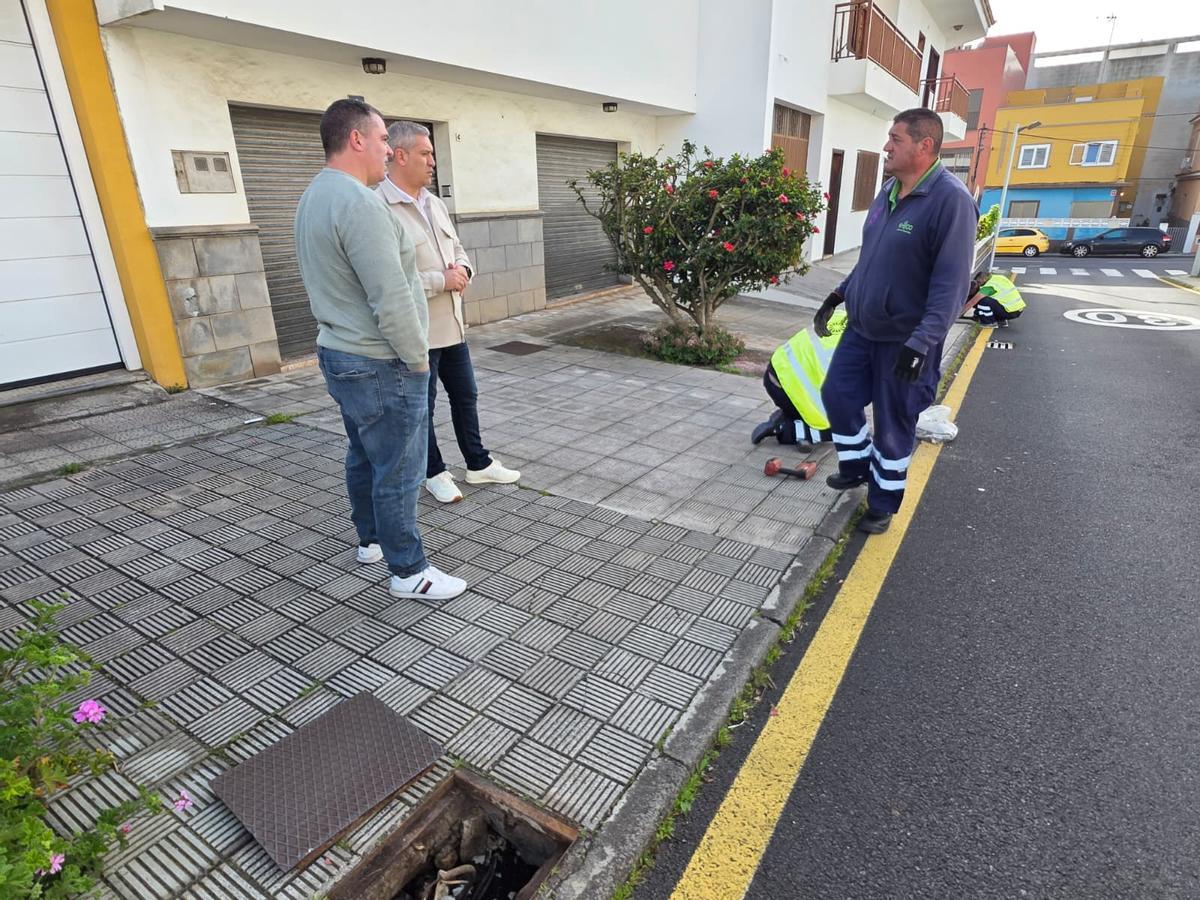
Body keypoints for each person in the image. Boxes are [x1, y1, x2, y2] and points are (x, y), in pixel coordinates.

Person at [294, 99, 466, 601]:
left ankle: (370, 542)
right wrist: (416, 360)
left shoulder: (314, 196)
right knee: (400, 467)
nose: (389, 150)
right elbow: (392, 296)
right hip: (378, 360)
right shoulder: (361, 204)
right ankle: (410, 572)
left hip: (340, 353)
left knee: (364, 456)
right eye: (384, 139)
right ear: (357, 140)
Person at [814, 108, 978, 535]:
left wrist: (922, 343)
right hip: (862, 329)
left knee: (893, 425)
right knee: (838, 395)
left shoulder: (951, 201)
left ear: (924, 146)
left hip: (905, 341)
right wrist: (838, 294)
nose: (886, 146)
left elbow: (951, 284)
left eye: (895, 139)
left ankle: (882, 502)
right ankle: (854, 467)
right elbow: (872, 259)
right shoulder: (888, 190)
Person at [377, 121, 519, 504]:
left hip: (452, 326)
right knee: (423, 407)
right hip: (416, 332)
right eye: (426, 153)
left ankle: (478, 464)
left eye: (434, 154)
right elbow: (389, 278)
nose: (433, 161)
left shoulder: (434, 203)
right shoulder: (380, 207)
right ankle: (433, 472)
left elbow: (458, 251)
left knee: (466, 395)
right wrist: (443, 280)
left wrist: (464, 271)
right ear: (400, 155)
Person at [751, 309, 848, 449]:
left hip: (775, 373)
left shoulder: (842, 314)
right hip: (790, 389)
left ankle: (794, 415)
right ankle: (786, 429)